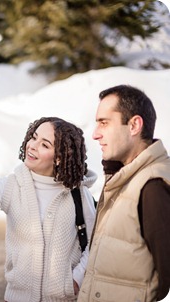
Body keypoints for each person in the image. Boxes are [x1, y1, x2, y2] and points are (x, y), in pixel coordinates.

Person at [0, 117, 97, 302]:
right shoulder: (9, 186)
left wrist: (76, 280)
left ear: (59, 157)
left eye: (44, 145)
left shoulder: (79, 195)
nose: (32, 146)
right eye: (33, 138)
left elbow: (95, 243)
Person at [78, 85, 170, 302]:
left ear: (134, 125)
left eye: (104, 122)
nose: (95, 134)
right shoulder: (123, 179)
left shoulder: (153, 186)